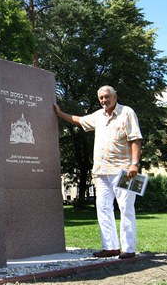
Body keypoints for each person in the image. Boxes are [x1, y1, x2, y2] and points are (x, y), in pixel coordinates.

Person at [54, 85, 142, 260]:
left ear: (115, 96)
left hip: (123, 171)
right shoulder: (98, 116)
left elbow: (135, 139)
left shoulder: (127, 113)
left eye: (107, 97)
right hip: (101, 172)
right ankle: (110, 247)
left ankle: (129, 249)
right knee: (102, 208)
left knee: (126, 209)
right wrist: (59, 113)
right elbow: (78, 120)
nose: (104, 100)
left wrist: (134, 164)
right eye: (101, 98)